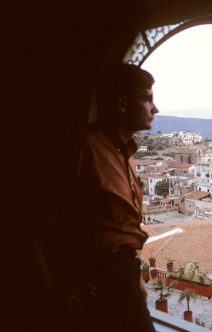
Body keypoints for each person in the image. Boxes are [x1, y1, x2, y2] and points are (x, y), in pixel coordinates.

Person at [40, 63, 159, 332]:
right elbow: (36, 226)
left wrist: (134, 277)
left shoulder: (126, 154)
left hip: (124, 280)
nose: (155, 109)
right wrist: (54, 289)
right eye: (148, 99)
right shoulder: (82, 147)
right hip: (100, 284)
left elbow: (122, 231)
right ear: (123, 103)